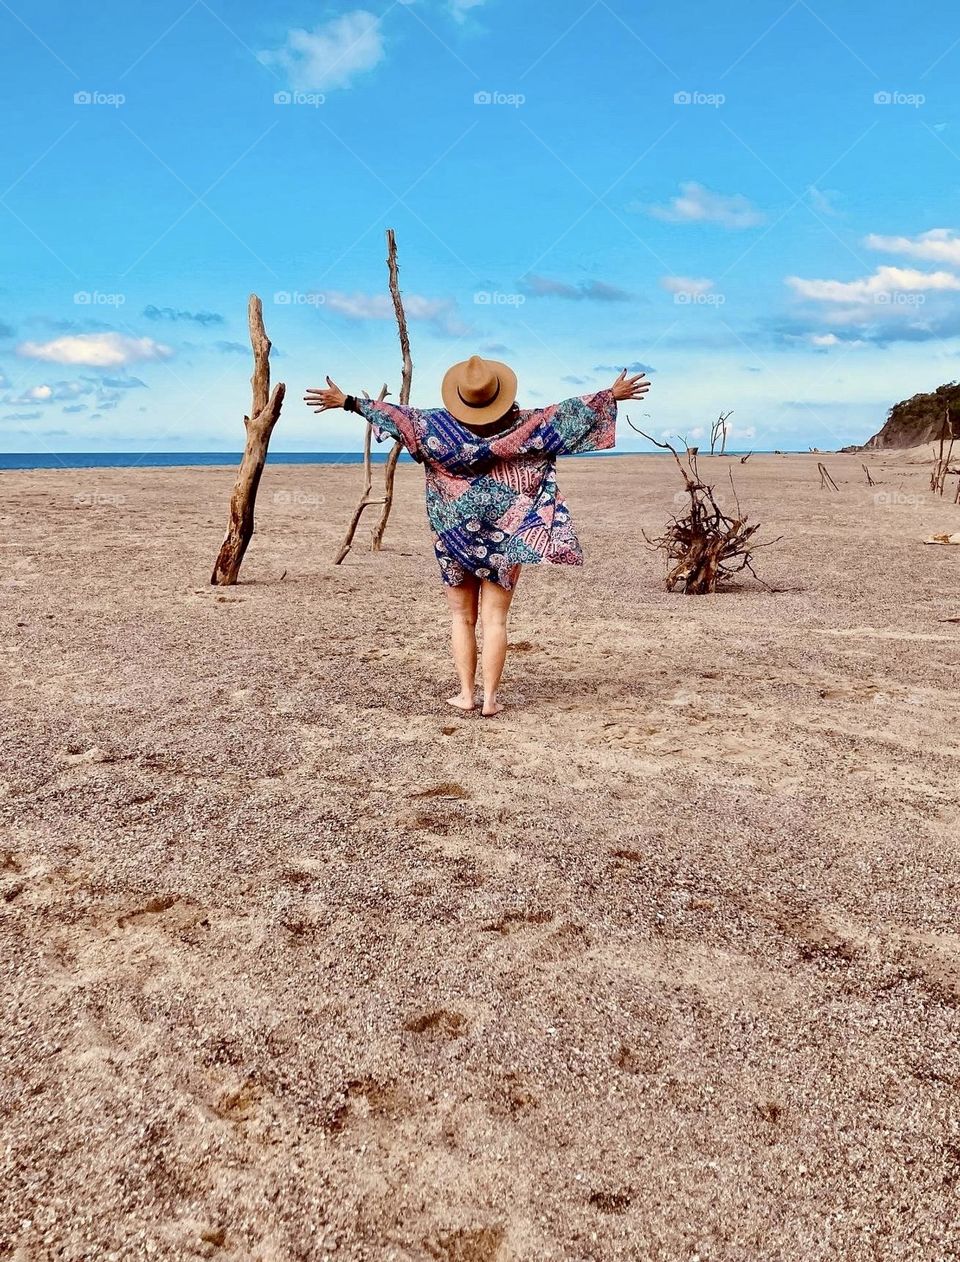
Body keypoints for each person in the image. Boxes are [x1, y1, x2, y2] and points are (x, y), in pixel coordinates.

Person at [305, 355, 650, 716]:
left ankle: (467, 694)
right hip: (508, 536)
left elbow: (392, 415)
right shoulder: (524, 426)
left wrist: (347, 402)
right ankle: (489, 701)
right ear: (498, 393)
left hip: (452, 538)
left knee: (461, 618)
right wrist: (611, 395)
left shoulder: (431, 427)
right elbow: (563, 414)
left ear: (460, 395)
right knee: (496, 620)